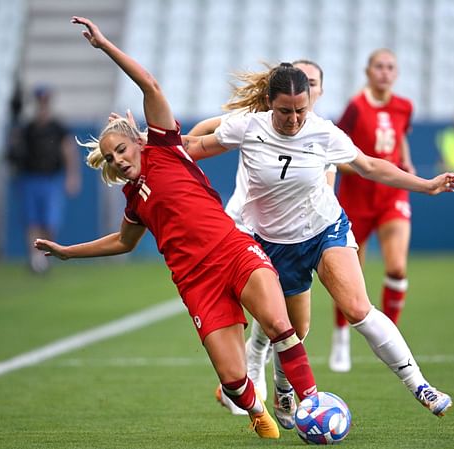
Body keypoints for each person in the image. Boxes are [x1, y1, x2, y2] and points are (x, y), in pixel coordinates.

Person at [34, 16, 320, 440]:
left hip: (233, 250)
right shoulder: (134, 201)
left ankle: (313, 403)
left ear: (137, 139)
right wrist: (67, 252)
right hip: (195, 280)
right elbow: (123, 242)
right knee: (232, 378)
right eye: (111, 158)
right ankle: (255, 408)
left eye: (121, 149)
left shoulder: (166, 147)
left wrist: (104, 45)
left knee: (282, 327)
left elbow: (150, 85)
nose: (118, 160)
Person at [183, 62, 454, 427]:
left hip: (324, 230)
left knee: (357, 309)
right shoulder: (247, 127)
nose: (294, 119)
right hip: (274, 245)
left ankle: (420, 385)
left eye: (301, 110)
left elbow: (370, 166)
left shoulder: (322, 132)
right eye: (285, 111)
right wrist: (145, 143)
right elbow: (195, 145)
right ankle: (283, 388)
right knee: (294, 332)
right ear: (270, 103)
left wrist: (425, 184)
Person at [187, 61, 334, 419]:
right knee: (265, 313)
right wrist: (175, 145)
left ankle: (265, 376)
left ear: (317, 91)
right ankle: (248, 382)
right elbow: (206, 132)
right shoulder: (257, 121)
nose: (306, 92)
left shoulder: (321, 135)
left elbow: (325, 189)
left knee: (294, 325)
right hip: (244, 227)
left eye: (312, 84)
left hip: (293, 234)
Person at [332, 48, 416, 374]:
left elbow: (400, 138)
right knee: (350, 277)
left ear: (396, 73)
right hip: (357, 198)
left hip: (391, 195)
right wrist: (368, 168)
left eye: (390, 67)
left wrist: (403, 161)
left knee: (396, 267)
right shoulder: (355, 108)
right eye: (378, 67)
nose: (384, 72)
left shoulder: (404, 106)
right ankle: (341, 337)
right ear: (368, 71)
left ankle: (388, 337)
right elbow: (338, 151)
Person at [7, 83, 81, 273]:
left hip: (51, 179)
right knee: (32, 221)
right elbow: (15, 152)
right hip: (31, 178)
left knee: (49, 220)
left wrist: (72, 176)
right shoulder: (28, 128)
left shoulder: (57, 127)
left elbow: (68, 150)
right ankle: (36, 258)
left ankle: (47, 255)